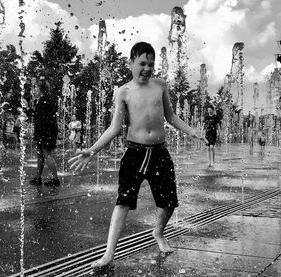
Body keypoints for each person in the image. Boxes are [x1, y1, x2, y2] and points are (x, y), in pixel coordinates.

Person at [69, 42, 207, 270]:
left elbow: (171, 116)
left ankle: (158, 232)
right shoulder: (123, 92)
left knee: (169, 203)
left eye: (151, 64)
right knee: (122, 202)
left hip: (159, 153)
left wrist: (191, 131)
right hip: (134, 153)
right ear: (131, 62)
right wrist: (92, 150)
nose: (147, 68)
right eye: (142, 63)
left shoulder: (160, 86)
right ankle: (108, 254)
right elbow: (114, 128)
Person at [29, 77, 60, 187]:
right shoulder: (45, 99)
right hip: (44, 131)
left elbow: (43, 118)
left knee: (47, 154)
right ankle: (38, 177)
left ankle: (55, 179)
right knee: (40, 155)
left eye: (36, 87)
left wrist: (30, 111)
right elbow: (41, 116)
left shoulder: (45, 100)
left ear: (40, 88)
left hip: (46, 132)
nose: (35, 89)